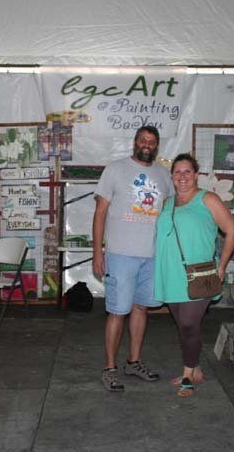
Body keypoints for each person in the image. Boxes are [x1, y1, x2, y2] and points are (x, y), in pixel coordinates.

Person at [92, 125, 174, 392]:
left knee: (141, 308)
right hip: (120, 254)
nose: (146, 144)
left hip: (152, 256)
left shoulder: (164, 176)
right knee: (117, 311)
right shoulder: (115, 170)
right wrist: (97, 252)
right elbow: (100, 213)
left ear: (157, 145)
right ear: (135, 143)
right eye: (142, 140)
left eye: (151, 141)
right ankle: (109, 368)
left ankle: (133, 362)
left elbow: (171, 215)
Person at [154, 153, 234, 397]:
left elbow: (232, 231)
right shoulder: (167, 203)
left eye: (187, 171)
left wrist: (221, 267)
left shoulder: (208, 199)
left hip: (199, 275)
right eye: (177, 172)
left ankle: (188, 374)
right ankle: (195, 367)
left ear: (196, 175)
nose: (182, 176)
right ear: (172, 176)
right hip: (170, 274)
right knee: (184, 327)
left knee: (190, 324)